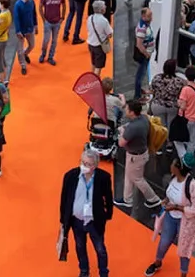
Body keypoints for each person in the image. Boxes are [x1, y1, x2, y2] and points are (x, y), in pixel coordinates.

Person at [144, 153, 195, 277]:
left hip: (185, 222)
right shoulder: (173, 177)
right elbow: (170, 193)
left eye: (172, 164)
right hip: (170, 217)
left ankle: (183, 274)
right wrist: (166, 200)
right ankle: (157, 263)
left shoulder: (193, 186)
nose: (170, 165)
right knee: (164, 242)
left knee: (184, 249)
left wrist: (176, 207)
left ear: (178, 168)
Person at [59, 149, 114, 277]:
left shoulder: (104, 178)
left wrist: (107, 215)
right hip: (76, 221)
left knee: (100, 249)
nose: (84, 166)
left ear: (95, 165)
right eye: (83, 162)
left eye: (88, 164)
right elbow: (64, 199)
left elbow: (108, 198)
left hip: (94, 221)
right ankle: (84, 271)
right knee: (80, 247)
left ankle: (103, 272)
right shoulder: (70, 176)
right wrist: (63, 220)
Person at [114, 99, 161, 208]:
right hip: (138, 153)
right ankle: (127, 199)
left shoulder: (132, 127)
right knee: (129, 176)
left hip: (135, 157)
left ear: (131, 112)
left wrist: (122, 132)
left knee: (137, 179)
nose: (125, 110)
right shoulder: (143, 118)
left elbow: (121, 143)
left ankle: (153, 199)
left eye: (127, 109)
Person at [175, 66, 195, 157]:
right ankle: (189, 158)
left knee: (178, 139)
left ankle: (183, 157)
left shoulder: (185, 89)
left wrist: (178, 103)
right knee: (191, 141)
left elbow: (183, 107)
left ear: (186, 75)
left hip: (185, 118)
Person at [39, 0, 66, 66]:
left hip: (57, 23)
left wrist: (62, 17)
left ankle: (50, 57)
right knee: (46, 40)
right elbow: (40, 7)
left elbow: (64, 5)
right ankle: (43, 55)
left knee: (54, 41)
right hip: (48, 22)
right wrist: (44, 19)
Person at [13, 0, 38, 75]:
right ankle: (23, 66)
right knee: (19, 50)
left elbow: (34, 14)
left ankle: (25, 54)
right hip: (21, 31)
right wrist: (18, 31)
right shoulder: (18, 5)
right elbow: (16, 18)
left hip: (30, 28)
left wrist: (36, 25)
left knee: (32, 45)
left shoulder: (32, 2)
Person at [133, 7, 156, 101]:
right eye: (149, 16)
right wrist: (146, 54)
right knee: (140, 75)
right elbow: (139, 44)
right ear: (143, 16)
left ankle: (140, 91)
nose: (151, 18)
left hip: (146, 54)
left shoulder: (146, 25)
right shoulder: (142, 29)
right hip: (143, 56)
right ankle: (137, 96)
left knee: (142, 73)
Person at [87, 1, 112, 76]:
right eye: (104, 6)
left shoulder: (90, 18)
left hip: (90, 44)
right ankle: (96, 80)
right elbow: (110, 34)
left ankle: (92, 79)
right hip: (99, 46)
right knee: (98, 67)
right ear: (101, 9)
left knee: (93, 63)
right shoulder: (104, 20)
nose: (105, 7)